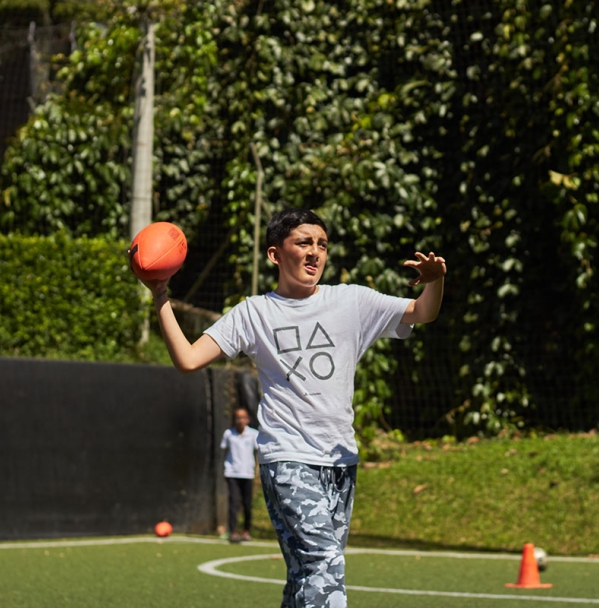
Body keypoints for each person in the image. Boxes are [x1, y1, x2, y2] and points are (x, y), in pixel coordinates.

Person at [137, 208, 446, 608]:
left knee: (305, 575)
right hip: (287, 459)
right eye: (303, 243)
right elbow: (189, 359)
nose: (315, 253)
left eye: (322, 245)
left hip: (340, 460)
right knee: (324, 562)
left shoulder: (351, 301)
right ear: (275, 254)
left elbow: (422, 311)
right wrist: (161, 295)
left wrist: (436, 283)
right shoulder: (254, 312)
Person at [220, 406, 259, 542]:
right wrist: (225, 470)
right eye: (238, 417)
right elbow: (225, 452)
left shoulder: (253, 434)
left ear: (247, 419)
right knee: (233, 502)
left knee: (247, 504)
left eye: (243, 417)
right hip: (232, 473)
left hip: (247, 473)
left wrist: (256, 471)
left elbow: (257, 453)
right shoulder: (228, 434)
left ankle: (246, 531)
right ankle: (233, 532)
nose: (241, 420)